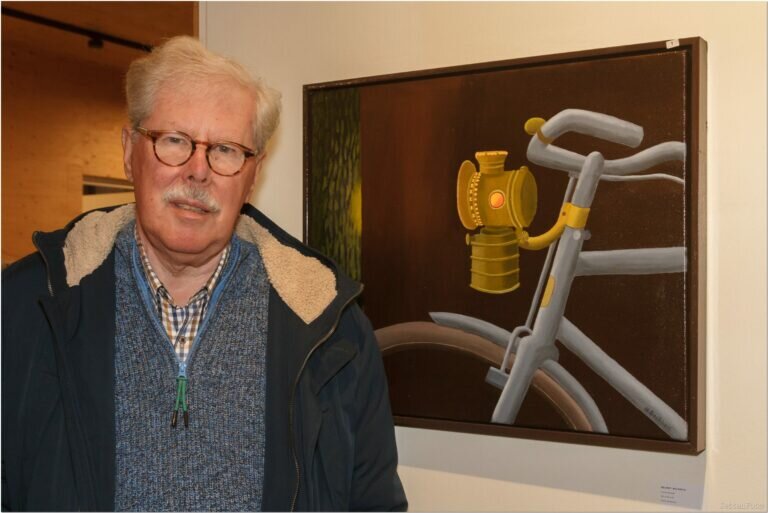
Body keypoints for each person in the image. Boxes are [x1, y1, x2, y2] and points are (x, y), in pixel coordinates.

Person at [2, 36, 407, 512]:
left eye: (226, 149)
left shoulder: (332, 327)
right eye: (174, 140)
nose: (198, 172)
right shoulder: (24, 309)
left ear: (252, 176)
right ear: (130, 152)